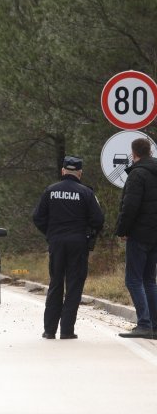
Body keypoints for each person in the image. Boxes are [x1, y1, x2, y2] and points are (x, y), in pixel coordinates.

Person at [32, 155, 104, 340]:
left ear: (63, 171)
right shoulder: (86, 193)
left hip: (56, 242)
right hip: (78, 244)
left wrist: (51, 233)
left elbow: (38, 217)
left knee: (55, 284)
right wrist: (88, 233)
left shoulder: (51, 190)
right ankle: (66, 330)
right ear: (79, 173)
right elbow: (98, 220)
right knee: (74, 285)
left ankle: (49, 330)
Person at [115, 137, 157, 339]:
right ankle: (154, 326)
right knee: (149, 280)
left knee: (133, 280)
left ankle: (144, 324)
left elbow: (130, 206)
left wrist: (122, 230)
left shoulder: (137, 174)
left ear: (134, 154)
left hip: (139, 234)